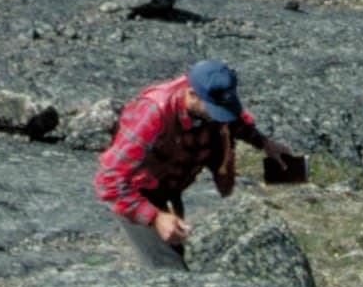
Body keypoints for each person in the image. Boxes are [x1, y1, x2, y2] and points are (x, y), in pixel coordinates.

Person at [93, 60, 304, 269]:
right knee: (167, 270)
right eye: (214, 109)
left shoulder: (211, 99)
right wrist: (154, 217)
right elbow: (108, 181)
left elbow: (235, 121)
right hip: (137, 192)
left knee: (177, 250)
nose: (218, 116)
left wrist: (265, 143)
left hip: (172, 182)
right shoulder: (152, 112)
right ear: (191, 93)